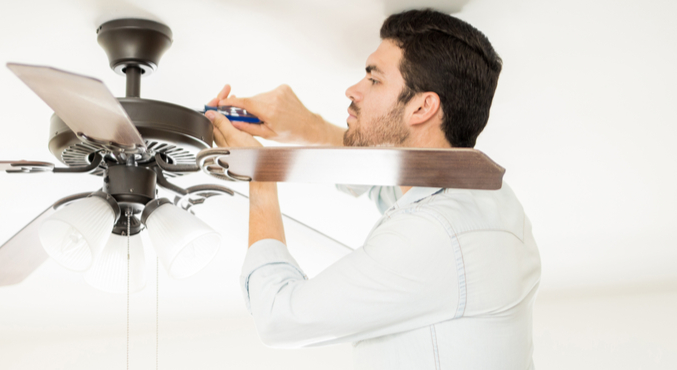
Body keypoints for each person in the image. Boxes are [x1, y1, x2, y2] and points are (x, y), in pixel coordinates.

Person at [204, 9, 541, 370]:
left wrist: (261, 175)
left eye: (374, 80)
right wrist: (308, 127)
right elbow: (389, 180)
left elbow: (279, 317)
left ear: (423, 106)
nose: (353, 90)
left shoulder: (438, 235)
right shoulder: (485, 200)